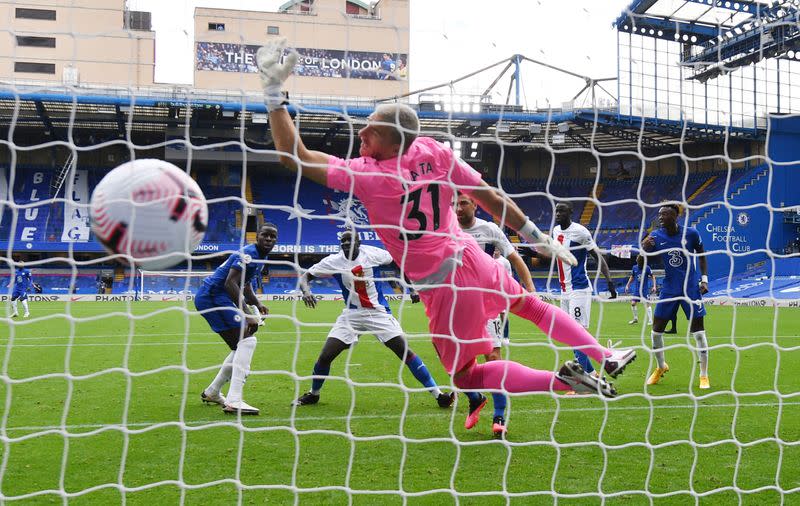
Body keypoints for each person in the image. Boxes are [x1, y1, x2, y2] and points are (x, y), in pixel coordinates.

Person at [257, 39, 635, 431]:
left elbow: (293, 156)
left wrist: (272, 95)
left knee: (465, 377)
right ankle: (602, 354)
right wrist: (535, 236)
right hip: (474, 259)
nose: (363, 129)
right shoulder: (434, 152)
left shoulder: (367, 174)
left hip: (442, 285)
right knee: (533, 307)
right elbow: (489, 197)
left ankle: (559, 382)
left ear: (393, 138)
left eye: (373, 125)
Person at [293, 230, 454, 409]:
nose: (346, 244)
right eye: (343, 241)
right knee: (325, 356)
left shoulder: (373, 254)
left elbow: (398, 263)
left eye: (350, 240)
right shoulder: (333, 261)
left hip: (378, 313)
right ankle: (314, 394)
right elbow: (305, 276)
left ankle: (439, 395)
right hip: (351, 315)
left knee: (405, 352)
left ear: (358, 242)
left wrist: (412, 288)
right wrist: (306, 292)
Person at [456, 192, 535, 438]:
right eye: (455, 204)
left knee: (493, 357)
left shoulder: (489, 229)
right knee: (457, 364)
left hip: (487, 302)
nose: (458, 208)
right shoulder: (446, 228)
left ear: (475, 206)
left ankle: (499, 415)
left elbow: (515, 257)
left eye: (463, 203)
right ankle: (475, 398)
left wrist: (530, 289)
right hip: (457, 304)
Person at [195, 223, 277, 415]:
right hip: (213, 297)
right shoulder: (249, 254)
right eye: (265, 235)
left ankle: (213, 392)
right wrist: (248, 315)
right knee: (248, 341)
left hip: (213, 297)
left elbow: (245, 285)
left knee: (240, 345)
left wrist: (257, 304)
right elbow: (230, 282)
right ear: (256, 236)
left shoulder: (261, 257)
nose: (269, 239)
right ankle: (234, 400)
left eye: (273, 237)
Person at [641, 204, 710, 389]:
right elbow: (641, 263)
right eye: (659, 214)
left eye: (665, 214)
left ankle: (703, 375)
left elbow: (702, 256)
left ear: (676, 216)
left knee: (699, 333)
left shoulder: (692, 234)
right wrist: (643, 248)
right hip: (669, 289)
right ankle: (661, 366)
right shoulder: (655, 236)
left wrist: (704, 280)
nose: (661, 217)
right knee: (656, 332)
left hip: (691, 289)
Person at [551, 202, 618, 377]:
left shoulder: (581, 232)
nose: (558, 214)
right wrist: (534, 255)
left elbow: (598, 256)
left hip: (579, 289)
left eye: (562, 211)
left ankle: (591, 374)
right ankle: (595, 374)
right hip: (564, 291)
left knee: (577, 335)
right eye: (556, 211)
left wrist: (609, 281)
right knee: (569, 335)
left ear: (570, 213)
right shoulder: (556, 231)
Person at [624, 254, 657, 325]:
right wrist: (627, 285)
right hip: (637, 290)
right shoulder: (634, 267)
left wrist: (654, 286)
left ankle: (651, 320)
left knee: (647, 303)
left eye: (637, 259)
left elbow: (653, 276)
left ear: (640, 261)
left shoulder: (647, 268)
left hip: (644, 290)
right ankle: (635, 319)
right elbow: (632, 277)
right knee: (633, 303)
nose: (636, 260)